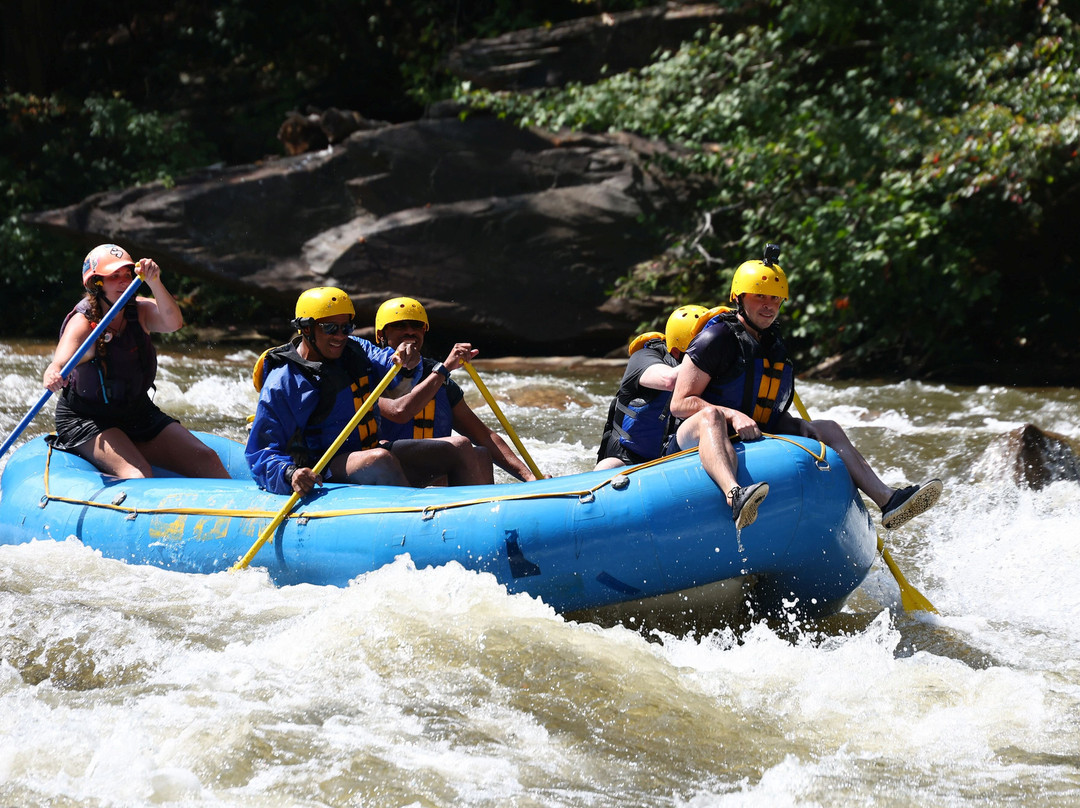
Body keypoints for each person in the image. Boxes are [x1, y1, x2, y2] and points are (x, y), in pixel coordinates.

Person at [668, 244, 942, 530]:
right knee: (713, 417)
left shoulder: (773, 343)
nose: (768, 305)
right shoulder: (716, 339)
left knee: (828, 428)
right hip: (695, 435)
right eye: (760, 296)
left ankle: (888, 500)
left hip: (748, 433)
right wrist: (731, 416)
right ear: (739, 297)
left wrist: (792, 424)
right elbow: (681, 402)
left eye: (775, 299)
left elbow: (762, 406)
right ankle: (735, 496)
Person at [246, 287, 485, 495]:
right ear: (306, 330)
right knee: (379, 460)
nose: (340, 336)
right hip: (321, 467)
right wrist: (290, 473)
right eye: (330, 328)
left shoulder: (356, 349)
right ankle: (412, 525)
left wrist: (405, 360)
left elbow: (390, 362)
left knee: (461, 446)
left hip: (366, 452)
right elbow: (260, 451)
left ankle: (480, 523)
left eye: (345, 327)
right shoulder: (285, 381)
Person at [42, 244, 230, 479]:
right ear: (97, 284)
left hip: (136, 411)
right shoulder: (84, 323)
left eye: (127, 275)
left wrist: (154, 281)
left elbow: (173, 323)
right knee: (139, 473)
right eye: (114, 277)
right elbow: (59, 361)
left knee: (207, 459)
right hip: (88, 419)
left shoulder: (139, 310)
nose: (123, 281)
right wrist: (54, 372)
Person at [373, 297, 539, 482]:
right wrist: (444, 369)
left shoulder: (440, 382)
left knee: (481, 454)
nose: (410, 331)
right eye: (399, 325)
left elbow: (485, 436)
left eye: (416, 325)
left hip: (429, 469)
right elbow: (399, 411)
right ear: (381, 334)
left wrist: (529, 476)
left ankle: (484, 507)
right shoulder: (369, 373)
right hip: (386, 468)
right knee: (459, 445)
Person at [595, 304, 709, 470]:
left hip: (673, 455)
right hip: (627, 457)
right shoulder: (643, 357)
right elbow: (668, 380)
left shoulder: (711, 372)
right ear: (677, 351)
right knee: (609, 465)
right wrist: (706, 358)